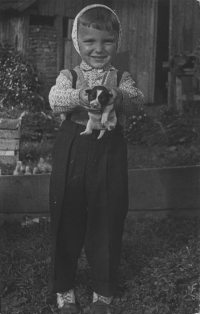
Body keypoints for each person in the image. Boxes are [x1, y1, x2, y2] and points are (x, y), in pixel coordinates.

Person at [48, 4, 145, 314]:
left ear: (117, 41)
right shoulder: (70, 76)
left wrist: (118, 95)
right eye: (90, 41)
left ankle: (102, 292)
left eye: (107, 41)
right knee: (67, 213)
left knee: (107, 214)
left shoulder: (122, 77)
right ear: (77, 41)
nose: (99, 49)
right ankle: (65, 291)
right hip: (73, 147)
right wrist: (80, 95)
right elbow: (55, 100)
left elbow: (137, 100)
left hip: (109, 149)